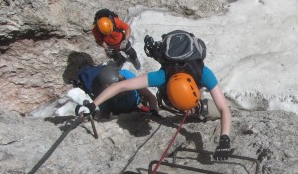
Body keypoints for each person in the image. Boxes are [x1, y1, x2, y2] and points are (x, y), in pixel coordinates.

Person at [76, 31, 232, 160]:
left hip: (191, 96)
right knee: (204, 110)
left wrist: (224, 139)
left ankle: (197, 106)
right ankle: (184, 105)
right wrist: (93, 104)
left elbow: (225, 110)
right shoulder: (162, 76)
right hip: (174, 97)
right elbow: (120, 85)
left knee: (214, 111)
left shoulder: (204, 73)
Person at [74, 60, 158, 119]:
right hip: (122, 114)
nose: (122, 90)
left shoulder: (127, 76)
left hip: (137, 104)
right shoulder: (104, 95)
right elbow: (105, 114)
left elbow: (150, 96)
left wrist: (153, 111)